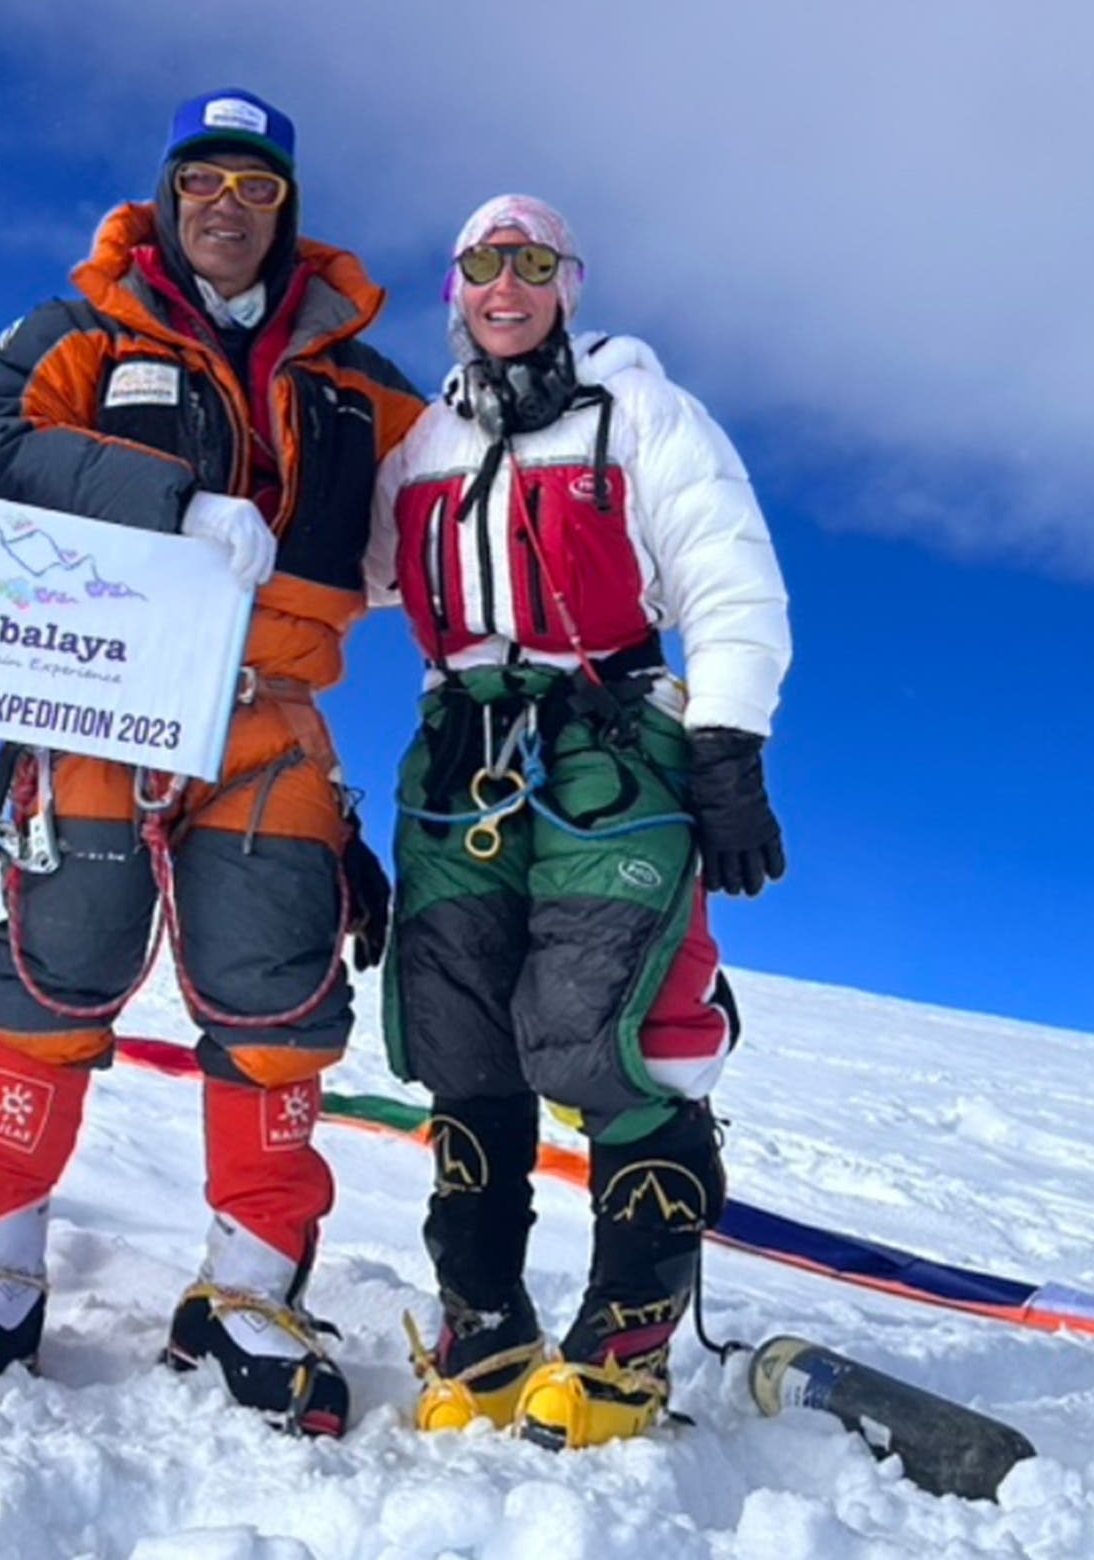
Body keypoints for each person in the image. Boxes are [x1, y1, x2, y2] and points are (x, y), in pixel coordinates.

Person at [0, 88, 423, 1438]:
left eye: (253, 185)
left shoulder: (363, 373)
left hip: (270, 713)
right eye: (203, 182)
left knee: (278, 1000)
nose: (225, 206)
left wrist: (613, 439)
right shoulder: (79, 329)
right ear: (171, 195)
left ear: (285, 205)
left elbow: (472, 489)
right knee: (50, 975)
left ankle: (250, 1294)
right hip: (94, 701)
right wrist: (167, 501)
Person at [366, 195, 791, 1449]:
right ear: (455, 286)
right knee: (457, 1033)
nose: (508, 283)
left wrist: (727, 743)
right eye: (484, 263)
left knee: (606, 1020)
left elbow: (726, 568)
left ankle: (625, 1341)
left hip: (606, 749)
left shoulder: (643, 416)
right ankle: (484, 1324)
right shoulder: (420, 444)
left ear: (569, 282)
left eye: (533, 262)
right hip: (457, 757)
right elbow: (345, 573)